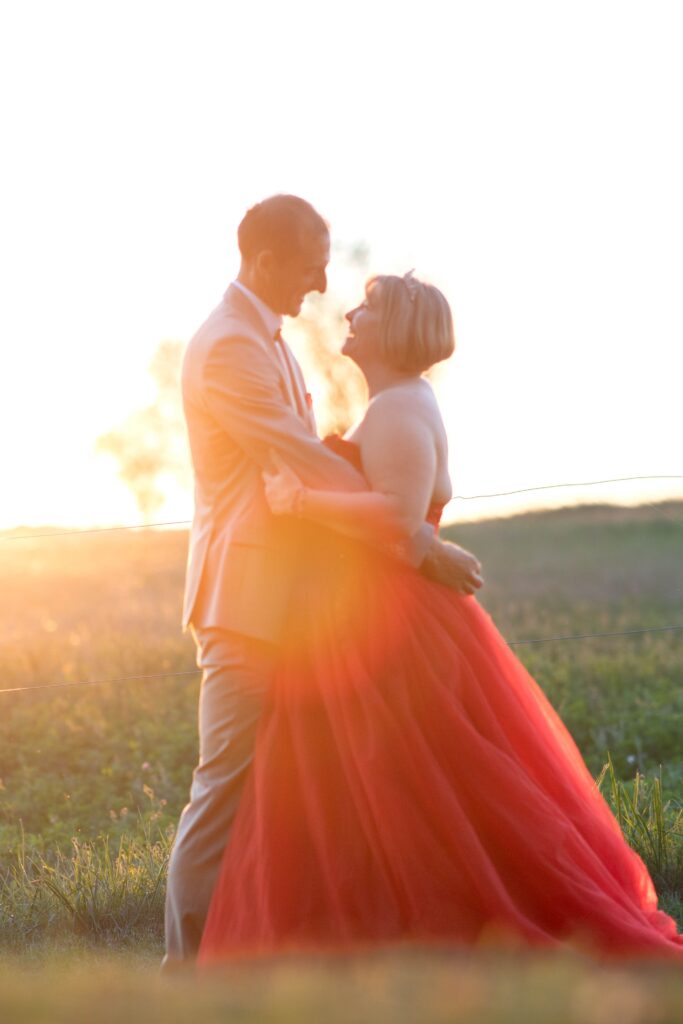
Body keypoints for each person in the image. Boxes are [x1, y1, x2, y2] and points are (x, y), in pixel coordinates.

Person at [198, 272, 683, 963]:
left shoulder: (398, 407)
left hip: (397, 619)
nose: (351, 315)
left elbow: (395, 516)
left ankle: (445, 923)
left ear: (393, 328)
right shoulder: (393, 402)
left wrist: (300, 503)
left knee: (422, 778)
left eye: (367, 308)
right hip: (380, 613)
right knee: (396, 780)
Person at [163, 197, 484, 969]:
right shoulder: (229, 347)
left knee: (297, 794)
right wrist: (410, 537)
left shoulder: (267, 339)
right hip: (245, 600)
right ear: (265, 259)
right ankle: (182, 976)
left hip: (297, 605)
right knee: (224, 793)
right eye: (312, 261)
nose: (320, 280)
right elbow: (294, 457)